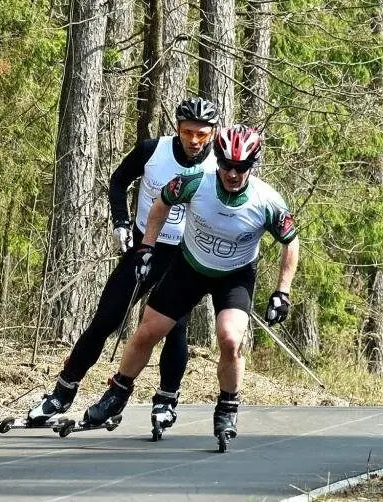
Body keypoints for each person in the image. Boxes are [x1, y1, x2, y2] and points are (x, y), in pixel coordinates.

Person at [81, 125, 299, 442]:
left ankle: (226, 407)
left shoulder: (267, 201)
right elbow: (160, 204)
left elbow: (291, 242)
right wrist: (146, 248)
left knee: (228, 338)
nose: (233, 174)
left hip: (234, 275)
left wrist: (282, 291)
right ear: (218, 161)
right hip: (189, 267)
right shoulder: (197, 182)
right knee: (148, 331)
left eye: (241, 168)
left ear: (252, 166)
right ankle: (116, 394)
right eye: (226, 165)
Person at [25, 97, 220, 432]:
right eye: (188, 132)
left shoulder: (218, 165)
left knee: (175, 328)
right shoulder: (151, 150)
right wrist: (120, 222)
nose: (194, 141)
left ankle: (166, 400)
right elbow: (118, 181)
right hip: (145, 248)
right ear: (177, 128)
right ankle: (62, 393)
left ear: (212, 133)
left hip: (184, 258)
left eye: (202, 134)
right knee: (106, 319)